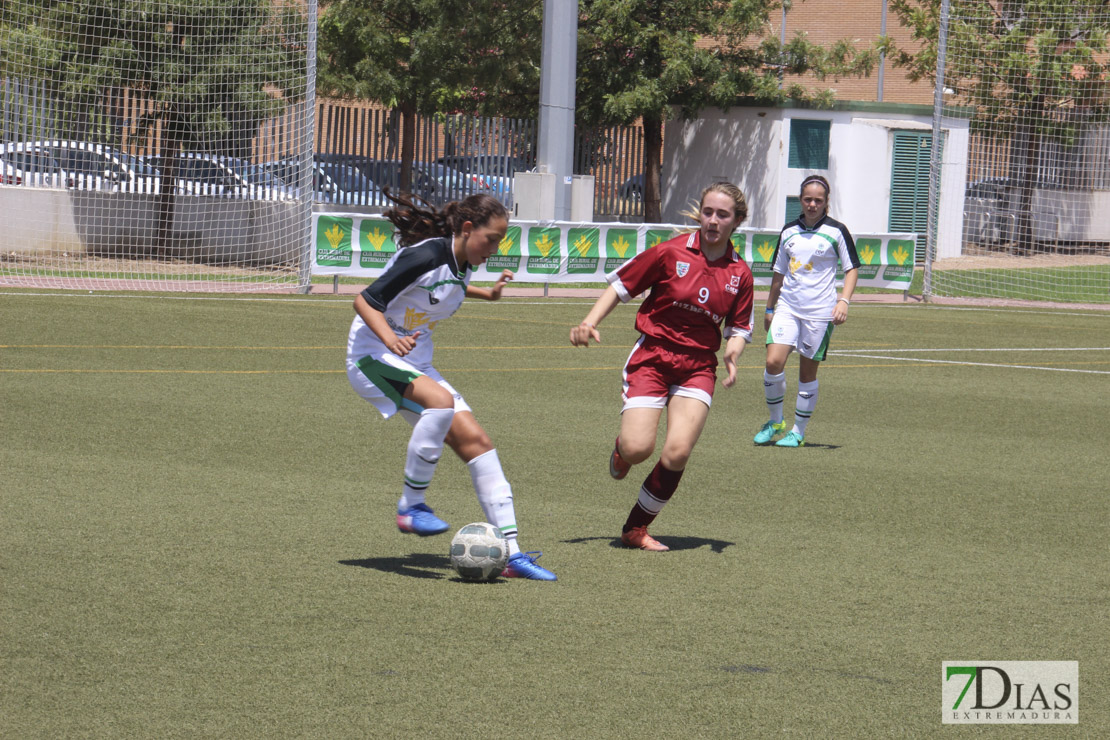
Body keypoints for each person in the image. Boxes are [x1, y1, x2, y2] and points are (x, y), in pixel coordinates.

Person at [346, 191, 556, 580]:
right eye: (491, 239)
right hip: (371, 356)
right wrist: (391, 340)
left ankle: (512, 554)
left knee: (479, 444)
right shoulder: (424, 255)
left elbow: (442, 290)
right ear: (466, 228)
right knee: (440, 402)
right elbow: (365, 301)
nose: (494, 248)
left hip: (413, 362)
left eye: (500, 241)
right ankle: (411, 506)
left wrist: (488, 293)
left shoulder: (463, 261)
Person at [570, 182, 754, 552]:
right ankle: (623, 450)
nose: (713, 221)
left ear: (737, 221)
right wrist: (590, 322)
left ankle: (635, 529)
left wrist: (733, 354)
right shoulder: (670, 252)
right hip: (652, 358)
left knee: (677, 453)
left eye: (723, 215)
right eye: (708, 212)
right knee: (640, 449)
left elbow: (739, 328)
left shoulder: (740, 273)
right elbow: (621, 286)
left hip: (698, 366)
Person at [754, 174, 860, 448]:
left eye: (818, 200)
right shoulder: (788, 231)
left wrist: (843, 301)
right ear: (800, 200)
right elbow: (778, 273)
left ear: (826, 203)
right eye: (807, 199)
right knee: (772, 362)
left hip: (820, 313)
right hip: (787, 307)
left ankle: (798, 431)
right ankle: (775, 420)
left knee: (806, 374)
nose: (812, 204)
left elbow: (852, 268)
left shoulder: (837, 231)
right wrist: (769, 307)